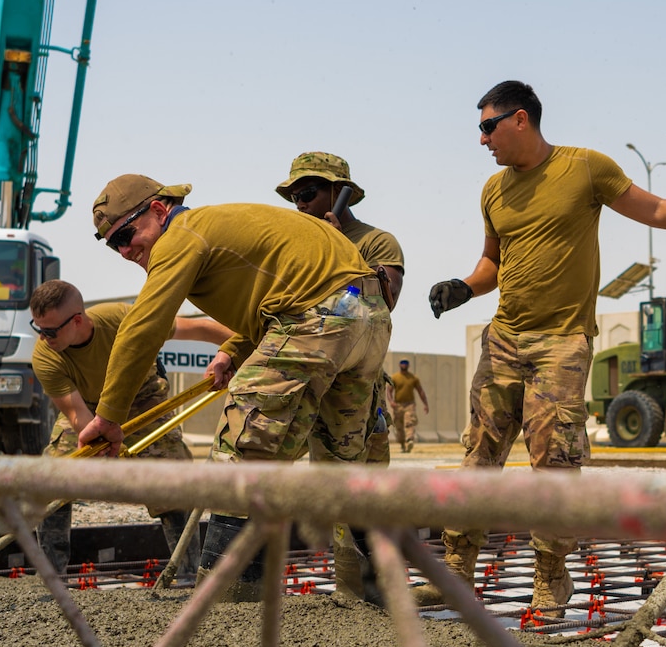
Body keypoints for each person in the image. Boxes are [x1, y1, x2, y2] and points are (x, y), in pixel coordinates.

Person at [428, 79, 666, 610]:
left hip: (560, 344)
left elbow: (656, 210)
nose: (483, 140)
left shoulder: (585, 168)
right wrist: (464, 286)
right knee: (478, 457)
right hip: (503, 339)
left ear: (521, 119)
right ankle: (455, 572)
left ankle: (550, 579)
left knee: (553, 466)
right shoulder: (493, 191)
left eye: (488, 127)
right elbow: (493, 264)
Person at [82, 176, 390, 585]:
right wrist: (236, 350)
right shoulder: (225, 225)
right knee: (340, 461)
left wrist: (108, 415)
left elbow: (143, 327)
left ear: (158, 211)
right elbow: (290, 290)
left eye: (126, 233)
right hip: (368, 317)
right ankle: (365, 591)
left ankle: (233, 596)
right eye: (112, 243)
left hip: (321, 317)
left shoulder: (180, 236)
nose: (124, 250)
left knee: (242, 445)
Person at [25, 279, 230, 567]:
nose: (43, 338)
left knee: (173, 482)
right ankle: (52, 576)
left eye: (49, 331)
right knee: (50, 481)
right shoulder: (45, 355)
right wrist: (99, 450)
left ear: (78, 320)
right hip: (92, 410)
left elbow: (196, 328)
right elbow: (79, 419)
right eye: (38, 329)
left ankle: (186, 572)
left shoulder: (121, 320)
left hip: (142, 399)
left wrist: (238, 346)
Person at [277, 152, 404, 466]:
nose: (300, 204)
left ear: (338, 193)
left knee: (360, 486)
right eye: (295, 197)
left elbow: (385, 300)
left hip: (353, 383)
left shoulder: (376, 241)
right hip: (306, 372)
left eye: (307, 194)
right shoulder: (300, 246)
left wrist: (337, 246)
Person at [390, 359, 427, 453]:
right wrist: (391, 401)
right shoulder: (395, 377)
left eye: (406, 363)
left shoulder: (413, 378)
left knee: (409, 422)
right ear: (399, 364)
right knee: (398, 426)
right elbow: (389, 391)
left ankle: (410, 440)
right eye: (402, 363)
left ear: (408, 365)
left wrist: (425, 404)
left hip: (409, 404)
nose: (404, 365)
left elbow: (420, 391)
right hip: (398, 405)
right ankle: (402, 444)